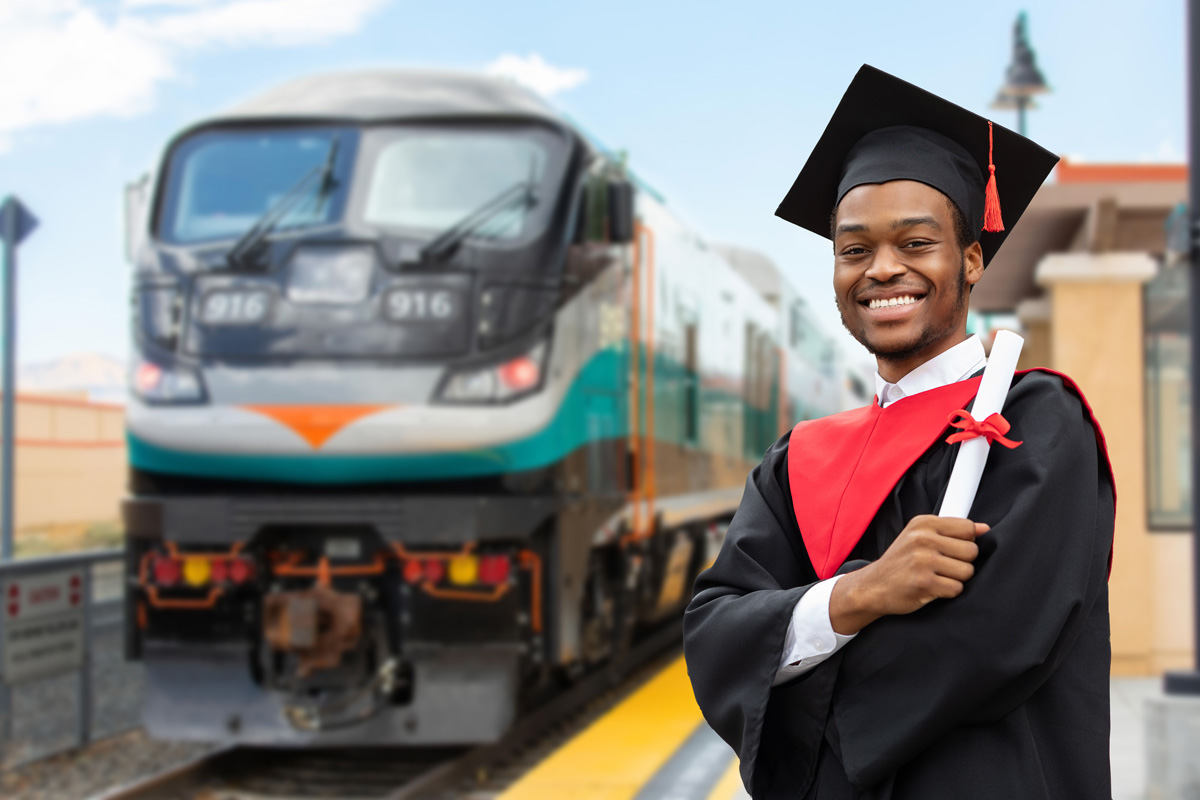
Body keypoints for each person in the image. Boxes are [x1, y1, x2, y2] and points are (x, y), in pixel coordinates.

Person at [682, 65, 1115, 800]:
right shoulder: (799, 460)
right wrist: (859, 595)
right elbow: (715, 633)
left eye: (916, 244)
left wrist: (800, 666)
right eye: (854, 250)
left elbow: (989, 640)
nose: (883, 270)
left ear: (972, 258)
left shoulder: (1037, 423)